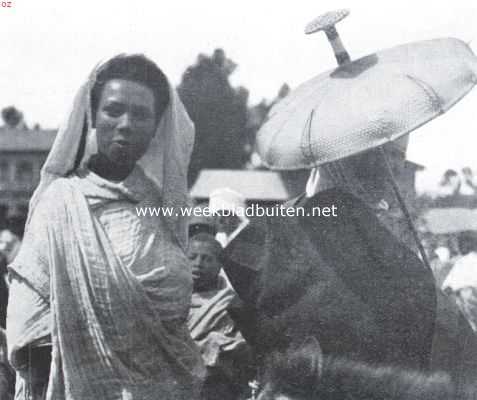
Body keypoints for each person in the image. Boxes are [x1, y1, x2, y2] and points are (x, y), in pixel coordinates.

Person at [6, 54, 204, 400]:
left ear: (158, 125)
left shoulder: (164, 210)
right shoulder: (61, 204)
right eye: (113, 110)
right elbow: (32, 326)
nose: (126, 124)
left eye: (141, 114)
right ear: (93, 117)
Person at [222, 141, 436, 372]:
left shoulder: (389, 225)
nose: (392, 166)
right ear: (345, 158)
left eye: (399, 156)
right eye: (381, 154)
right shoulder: (289, 222)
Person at [187, 232, 252, 400]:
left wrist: (216, 343)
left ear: (220, 265)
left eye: (207, 259)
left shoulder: (231, 302)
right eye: (192, 257)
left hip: (214, 388)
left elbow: (245, 348)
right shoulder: (168, 298)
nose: (198, 264)